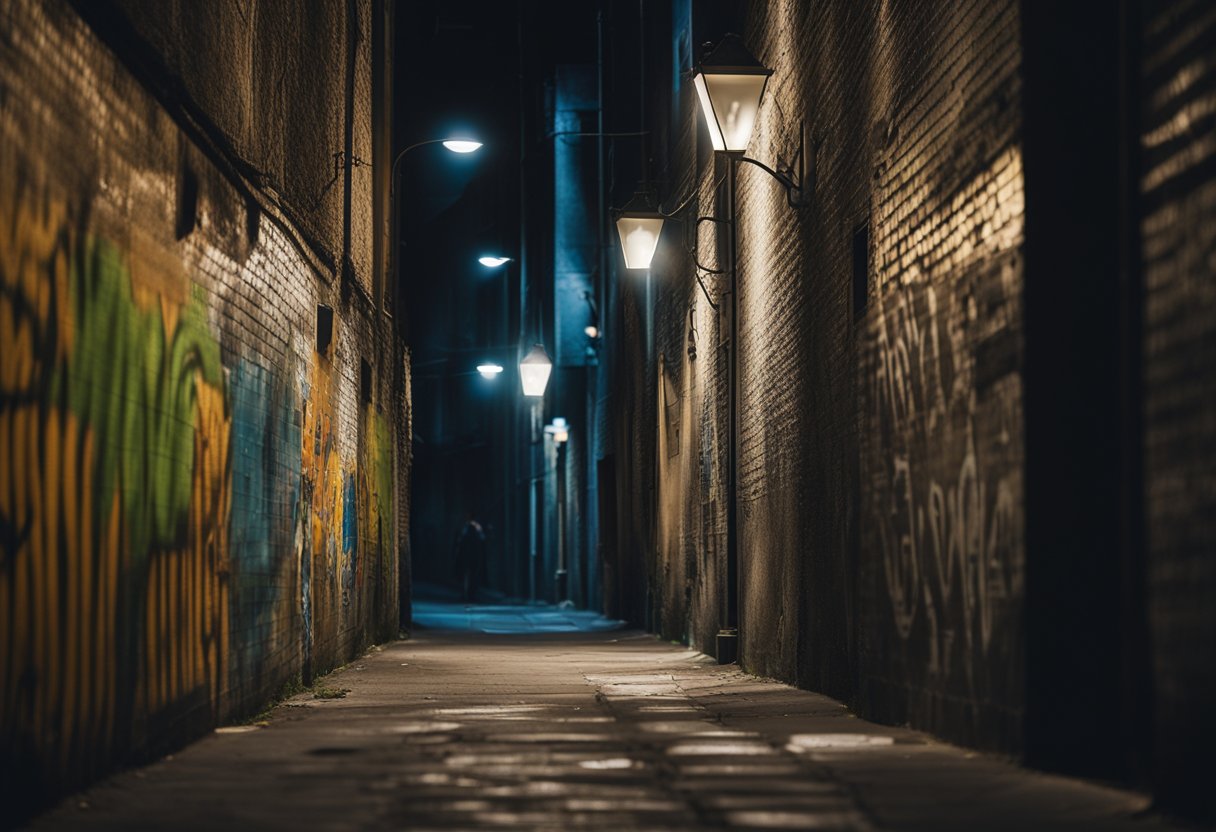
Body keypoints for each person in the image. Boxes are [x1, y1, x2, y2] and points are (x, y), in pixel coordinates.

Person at [453, 513, 486, 603]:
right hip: (472, 556)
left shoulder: (467, 527)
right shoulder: (474, 528)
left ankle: (467, 594)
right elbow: (482, 539)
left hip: (468, 555)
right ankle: (469, 594)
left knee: (468, 575)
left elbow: (460, 541)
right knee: (471, 575)